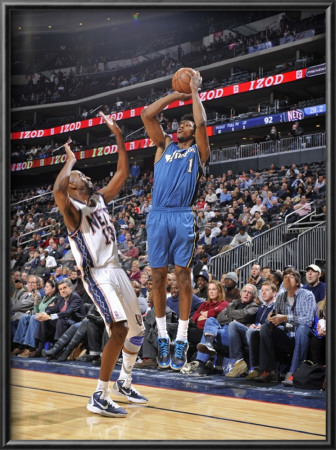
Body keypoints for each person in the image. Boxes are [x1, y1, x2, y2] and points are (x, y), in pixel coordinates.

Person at [52, 111, 147, 418]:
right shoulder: (73, 210)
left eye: (82, 174)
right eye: (79, 176)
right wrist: (70, 160)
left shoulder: (100, 199)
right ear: (73, 186)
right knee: (118, 328)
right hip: (98, 275)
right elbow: (57, 190)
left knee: (137, 331)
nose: (85, 176)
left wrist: (118, 135)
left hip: (118, 269)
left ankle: (125, 381)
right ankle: (99, 395)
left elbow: (123, 171)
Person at [141, 69, 210, 370]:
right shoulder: (163, 147)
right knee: (157, 277)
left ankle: (181, 337)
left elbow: (203, 122)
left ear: (193, 133)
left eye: (187, 124)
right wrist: (176, 94)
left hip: (183, 215)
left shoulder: (199, 151)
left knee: (182, 276)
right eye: (180, 123)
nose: (181, 126)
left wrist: (194, 91)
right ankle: (162, 334)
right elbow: (147, 115)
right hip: (158, 215)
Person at [255, 268, 316, 385]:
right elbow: (274, 313)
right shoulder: (281, 297)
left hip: (302, 335)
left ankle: (294, 372)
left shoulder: (308, 295)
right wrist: (271, 317)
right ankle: (268, 371)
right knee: (265, 328)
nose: (287, 279)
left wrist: (286, 318)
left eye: (291, 277)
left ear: (297, 282)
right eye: (285, 277)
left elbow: (308, 321)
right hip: (287, 335)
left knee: (302, 329)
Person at [192, 284, 259, 377]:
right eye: (244, 291)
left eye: (249, 292)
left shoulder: (254, 307)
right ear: (241, 293)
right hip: (223, 329)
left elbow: (244, 315)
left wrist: (228, 315)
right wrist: (233, 317)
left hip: (235, 335)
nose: (246, 294)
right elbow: (220, 318)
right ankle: (208, 346)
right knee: (210, 320)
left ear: (254, 296)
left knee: (210, 332)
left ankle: (201, 366)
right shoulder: (233, 303)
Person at [225, 281, 276, 378]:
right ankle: (238, 362)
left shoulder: (276, 306)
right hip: (253, 332)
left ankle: (255, 367)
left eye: (267, 290)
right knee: (233, 324)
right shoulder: (261, 307)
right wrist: (252, 325)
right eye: (262, 291)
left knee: (250, 332)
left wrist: (262, 326)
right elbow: (256, 322)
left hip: (266, 334)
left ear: (274, 293)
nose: (264, 293)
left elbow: (275, 322)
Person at [11, 279, 58, 356]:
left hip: (47, 321)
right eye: (45, 286)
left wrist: (41, 313)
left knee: (33, 317)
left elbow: (47, 313)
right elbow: (37, 311)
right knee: (24, 317)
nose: (44, 288)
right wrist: (35, 301)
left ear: (53, 288)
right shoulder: (45, 297)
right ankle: (19, 346)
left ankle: (31, 348)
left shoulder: (55, 299)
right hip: (39, 317)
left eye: (47, 287)